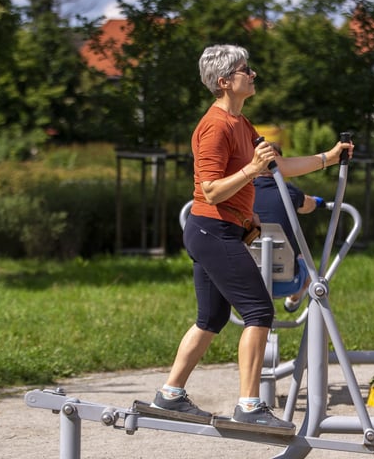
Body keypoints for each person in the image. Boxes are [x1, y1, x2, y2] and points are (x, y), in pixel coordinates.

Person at [143, 44, 352, 434]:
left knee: (211, 318)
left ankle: (170, 394)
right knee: (259, 313)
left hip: (217, 231)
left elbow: (278, 167)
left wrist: (328, 156)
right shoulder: (215, 127)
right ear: (225, 82)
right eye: (245, 70)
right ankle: (250, 405)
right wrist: (250, 171)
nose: (252, 74)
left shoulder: (242, 124)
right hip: (213, 230)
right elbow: (210, 190)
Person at [252, 143, 325, 313]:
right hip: (287, 283)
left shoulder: (243, 192)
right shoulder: (289, 191)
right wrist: (317, 201)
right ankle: (294, 298)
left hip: (248, 283)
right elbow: (308, 205)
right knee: (306, 262)